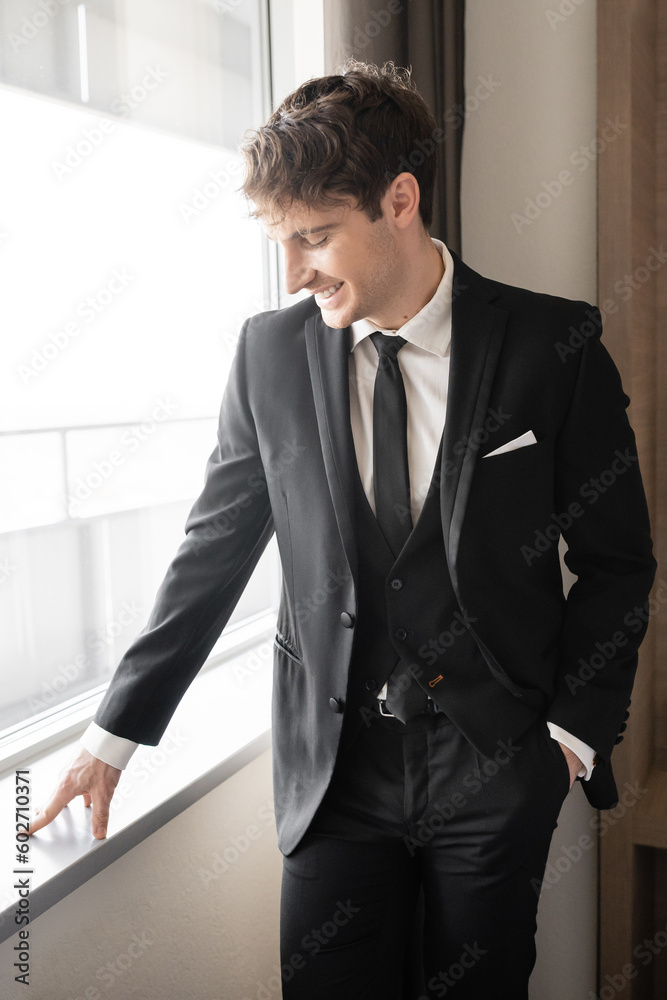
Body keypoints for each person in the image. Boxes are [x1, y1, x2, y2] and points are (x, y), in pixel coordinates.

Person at [30, 61, 656, 999]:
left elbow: (616, 562)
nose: (292, 274)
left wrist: (570, 734)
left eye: (313, 237)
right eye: (280, 240)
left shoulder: (551, 346)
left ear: (398, 201)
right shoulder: (268, 356)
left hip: (496, 760)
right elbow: (213, 553)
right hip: (333, 776)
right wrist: (111, 734)